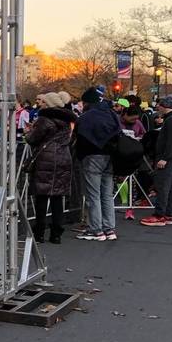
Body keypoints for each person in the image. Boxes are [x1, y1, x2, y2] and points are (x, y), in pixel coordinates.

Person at [26, 92, 75, 244]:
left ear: (49, 104)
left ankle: (39, 231)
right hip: (64, 157)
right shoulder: (68, 120)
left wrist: (28, 132)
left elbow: (33, 138)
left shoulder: (44, 119)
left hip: (46, 158)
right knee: (57, 197)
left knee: (42, 195)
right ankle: (56, 233)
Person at [75, 87, 121, 240]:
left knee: (93, 195)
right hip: (110, 157)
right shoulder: (111, 114)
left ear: (87, 102)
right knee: (107, 195)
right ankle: (110, 229)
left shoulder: (86, 117)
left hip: (91, 157)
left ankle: (96, 229)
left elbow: (80, 138)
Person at [142, 94, 172, 226]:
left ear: (165, 106)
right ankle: (168, 214)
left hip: (167, 159)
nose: (158, 107)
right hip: (171, 158)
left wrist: (165, 158)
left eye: (160, 105)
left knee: (163, 187)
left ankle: (159, 215)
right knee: (169, 188)